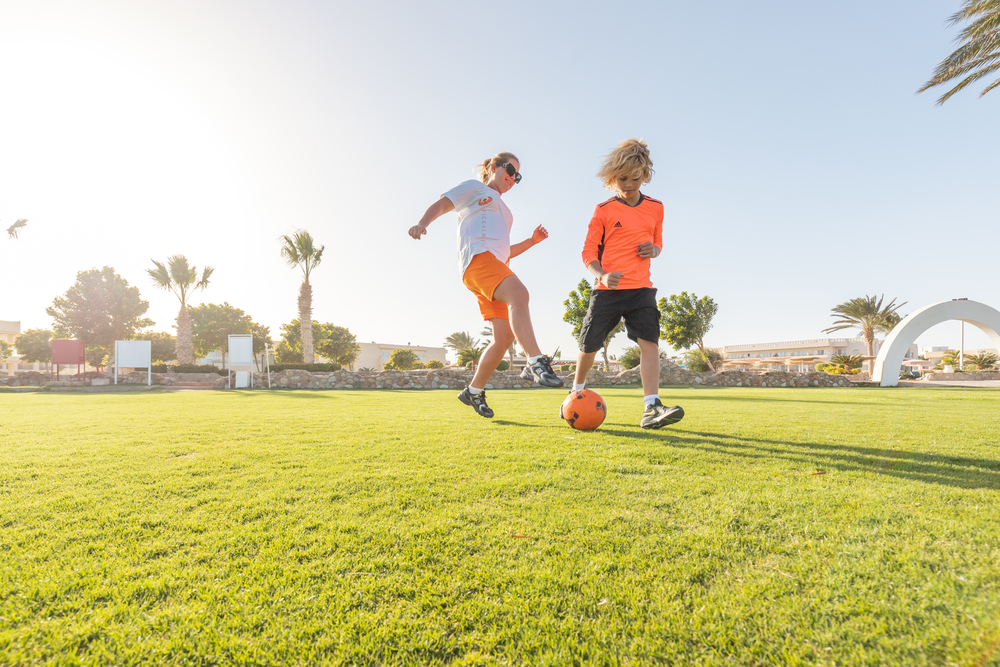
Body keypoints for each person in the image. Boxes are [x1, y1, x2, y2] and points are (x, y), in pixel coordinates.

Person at [409, 152, 563, 419]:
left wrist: (532, 241)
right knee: (520, 294)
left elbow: (504, 251)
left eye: (517, 176)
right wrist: (422, 223)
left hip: (493, 265)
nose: (513, 178)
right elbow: (443, 204)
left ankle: (474, 391)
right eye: (510, 170)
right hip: (477, 260)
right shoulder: (475, 188)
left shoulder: (507, 212)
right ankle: (535, 362)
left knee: (504, 339)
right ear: (494, 167)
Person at [570, 138, 684, 429]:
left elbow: (658, 242)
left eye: (635, 178)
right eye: (622, 178)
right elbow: (588, 252)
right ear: (612, 178)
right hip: (607, 291)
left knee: (650, 342)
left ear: (645, 175)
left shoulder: (656, 207)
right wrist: (602, 275)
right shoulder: (603, 210)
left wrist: (653, 250)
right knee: (589, 345)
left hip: (641, 289)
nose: (628, 184)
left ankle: (651, 407)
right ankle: (575, 393)